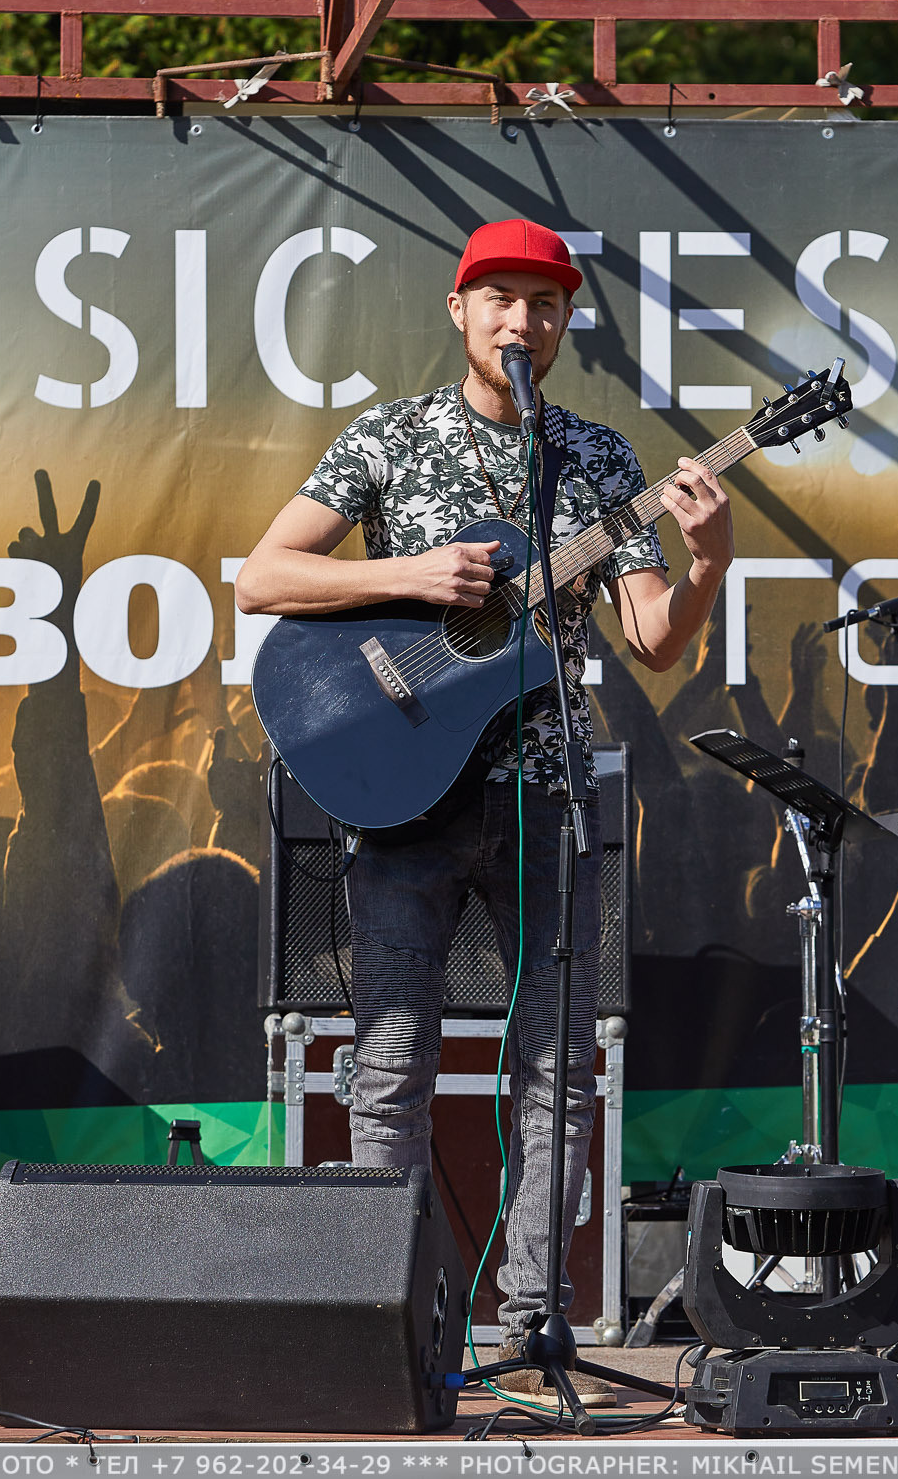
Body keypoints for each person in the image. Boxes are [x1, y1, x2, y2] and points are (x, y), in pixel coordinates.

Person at [237, 218, 733, 1397]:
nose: (524, 320)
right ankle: (386, 1315)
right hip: (405, 799)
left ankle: (531, 1324)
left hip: (545, 797)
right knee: (392, 1059)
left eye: (547, 304)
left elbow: (654, 642)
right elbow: (263, 574)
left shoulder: (601, 461)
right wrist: (405, 575)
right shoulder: (392, 436)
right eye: (502, 298)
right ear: (459, 310)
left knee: (557, 1069)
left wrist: (708, 559)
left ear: (564, 325)